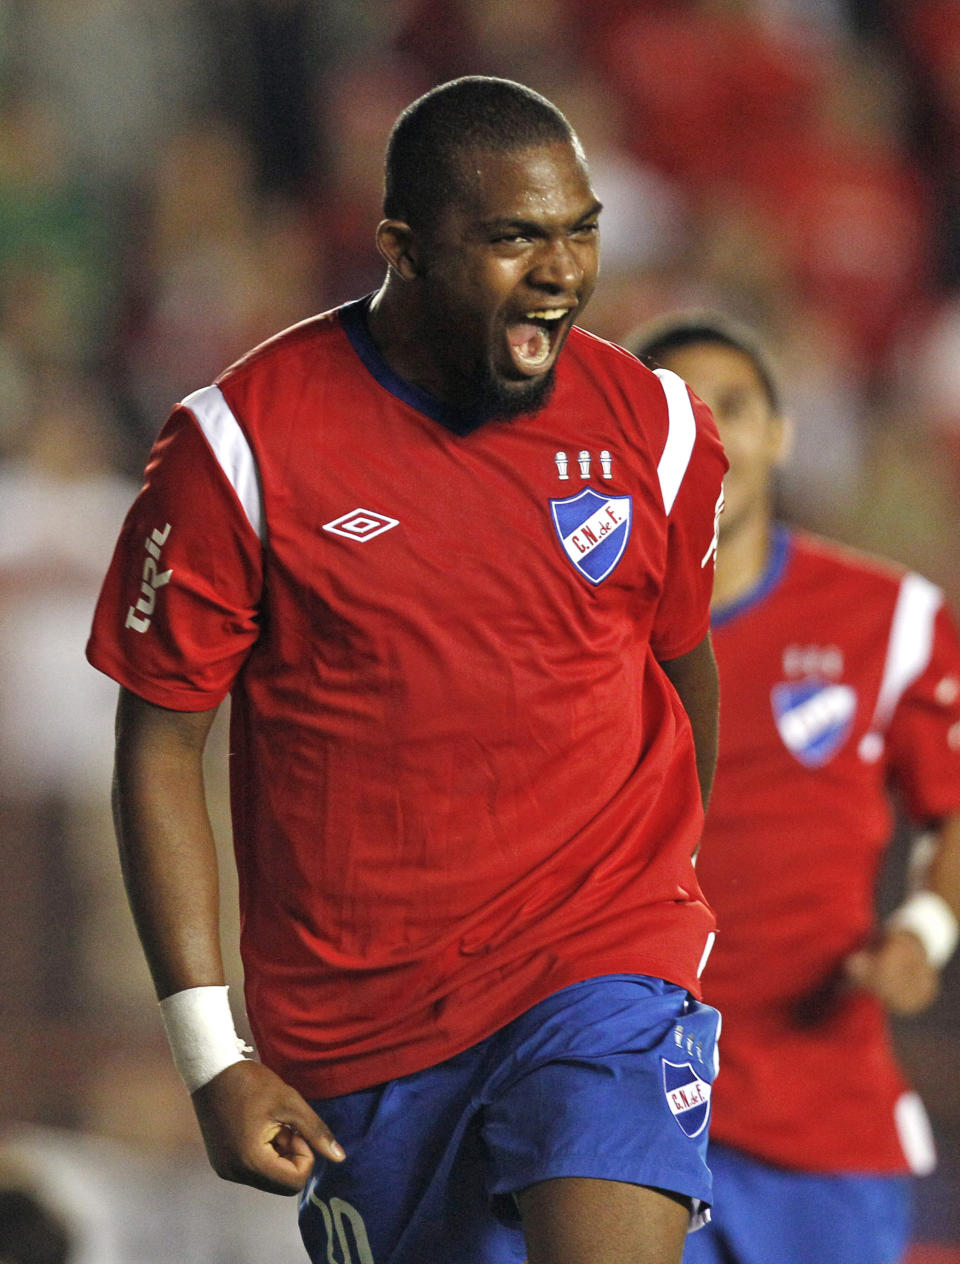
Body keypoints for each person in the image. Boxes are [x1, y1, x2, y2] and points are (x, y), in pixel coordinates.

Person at [86, 77, 727, 1264]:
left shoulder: (660, 430)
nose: (561, 270)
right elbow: (159, 744)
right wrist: (210, 1053)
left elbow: (681, 666)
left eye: (580, 229)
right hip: (360, 1024)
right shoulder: (241, 448)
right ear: (404, 249)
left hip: (599, 960)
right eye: (513, 237)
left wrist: (665, 897)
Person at [627, 312, 960, 1264]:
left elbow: (952, 805)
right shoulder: (571, 636)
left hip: (823, 1120)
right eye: (680, 413)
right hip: (620, 1112)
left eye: (733, 407)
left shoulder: (887, 621)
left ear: (781, 431)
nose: (712, 436)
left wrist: (921, 934)